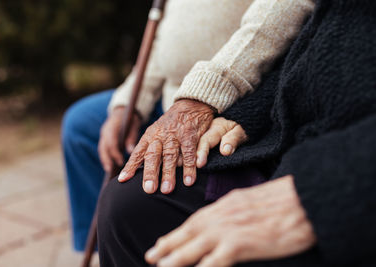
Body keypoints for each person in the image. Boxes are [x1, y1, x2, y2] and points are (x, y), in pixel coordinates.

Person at [97, 0, 376, 266]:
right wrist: (246, 116)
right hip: (280, 119)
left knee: (133, 199)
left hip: (345, 165)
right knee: (125, 198)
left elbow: (283, 22)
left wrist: (324, 189)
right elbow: (312, 49)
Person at [62, 0, 314, 251]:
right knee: (82, 126)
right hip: (171, 94)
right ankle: (99, 249)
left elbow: (278, 16)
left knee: (128, 198)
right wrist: (129, 104)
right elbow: (160, 43)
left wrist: (206, 93)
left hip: (229, 96)